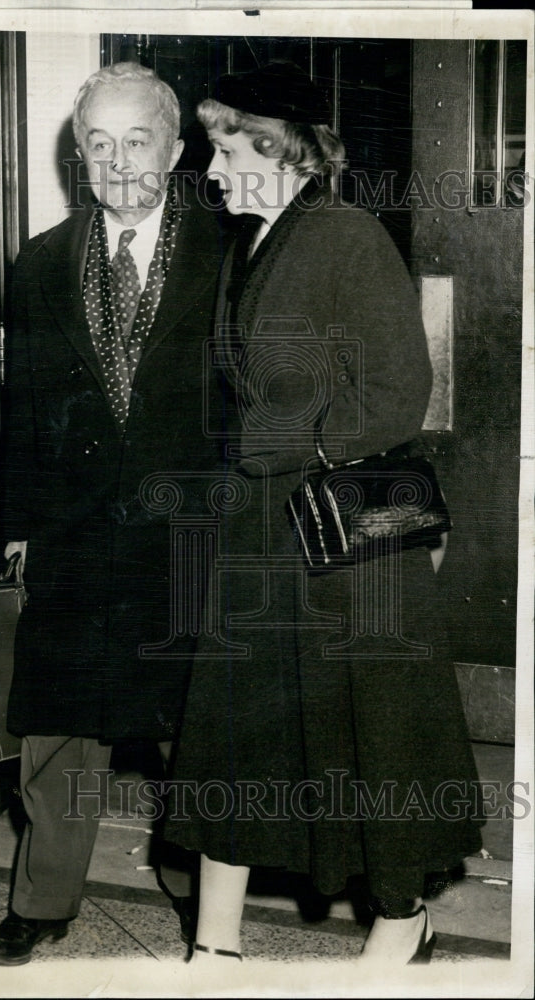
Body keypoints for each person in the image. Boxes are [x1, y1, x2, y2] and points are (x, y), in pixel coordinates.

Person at [164, 61, 483, 967]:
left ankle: (401, 917)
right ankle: (214, 943)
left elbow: (398, 394)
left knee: (370, 740)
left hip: (343, 538)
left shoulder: (346, 236)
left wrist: (293, 446)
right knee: (237, 736)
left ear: (279, 148)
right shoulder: (254, 240)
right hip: (261, 527)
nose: (212, 168)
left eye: (225, 148)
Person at [0, 62, 225, 966]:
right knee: (55, 726)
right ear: (78, 156)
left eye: (139, 140)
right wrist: (18, 524)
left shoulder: (232, 246)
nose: (119, 162)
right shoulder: (40, 262)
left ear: (178, 147)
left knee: (190, 723)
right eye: (99, 143)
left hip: (193, 531)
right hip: (74, 528)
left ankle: (201, 885)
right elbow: (25, 406)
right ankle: (43, 900)